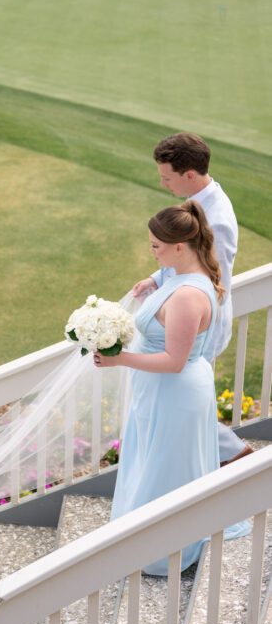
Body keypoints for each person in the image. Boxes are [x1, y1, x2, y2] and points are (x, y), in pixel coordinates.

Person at [96, 202, 235, 576]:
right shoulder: (178, 274)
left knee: (165, 468)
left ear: (179, 246)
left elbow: (175, 360)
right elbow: (171, 278)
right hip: (157, 389)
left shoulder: (189, 297)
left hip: (175, 392)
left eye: (157, 246)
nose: (152, 251)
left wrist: (119, 359)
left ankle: (161, 551)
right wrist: (154, 280)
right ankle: (141, 533)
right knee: (150, 458)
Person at [132, 132, 252, 466]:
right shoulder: (197, 203)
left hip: (198, 326)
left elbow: (215, 280)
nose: (163, 184)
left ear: (189, 175)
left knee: (187, 402)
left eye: (167, 178)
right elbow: (186, 257)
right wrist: (156, 279)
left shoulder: (218, 219)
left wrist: (175, 306)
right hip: (182, 316)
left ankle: (233, 456)